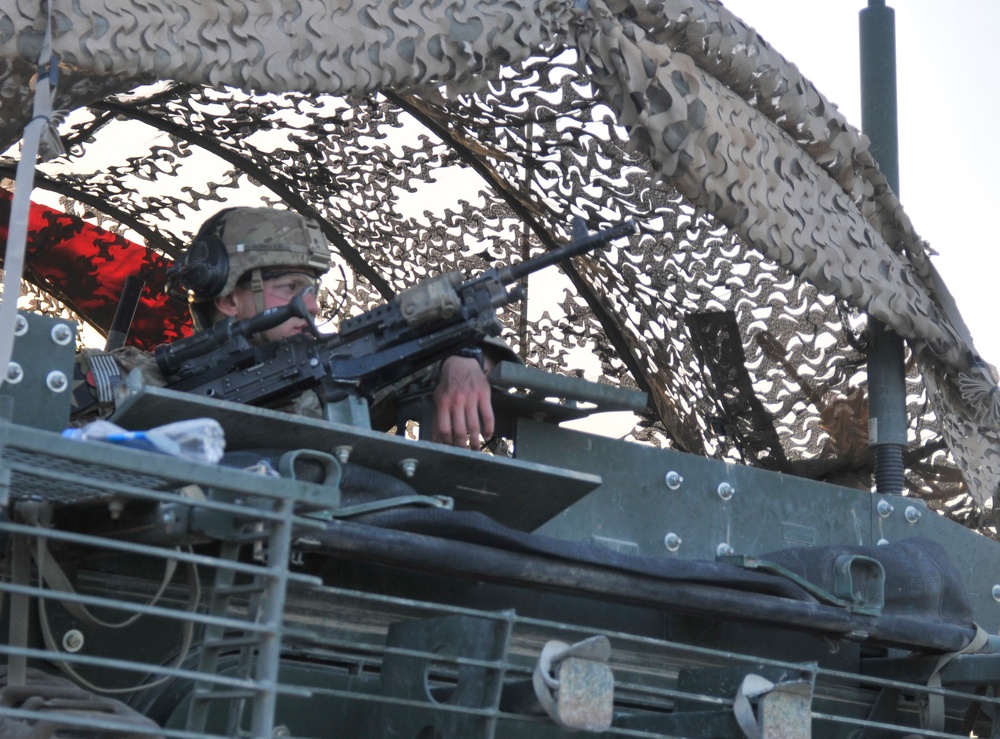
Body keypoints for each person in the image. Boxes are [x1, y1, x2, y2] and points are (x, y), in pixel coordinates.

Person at [74, 207, 515, 449]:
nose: (311, 305)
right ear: (229, 298)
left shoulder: (331, 375)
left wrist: (467, 356)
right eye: (290, 287)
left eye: (313, 289)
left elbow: (431, 347)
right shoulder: (130, 378)